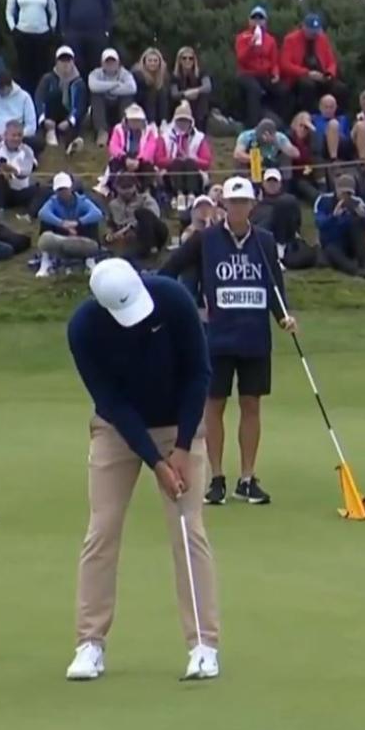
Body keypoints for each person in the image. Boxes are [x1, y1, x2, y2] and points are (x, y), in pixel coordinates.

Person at [65, 257, 220, 681]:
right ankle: (89, 644)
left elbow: (198, 374)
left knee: (189, 531)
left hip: (178, 425)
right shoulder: (83, 329)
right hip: (117, 430)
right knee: (102, 529)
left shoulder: (173, 300)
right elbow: (112, 402)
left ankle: (204, 645)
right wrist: (155, 462)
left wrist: (183, 448)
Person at [159, 176, 297, 507]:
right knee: (214, 407)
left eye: (243, 202)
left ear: (252, 205)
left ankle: (247, 479)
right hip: (217, 337)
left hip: (254, 338)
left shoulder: (263, 241)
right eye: (232, 203)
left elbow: (274, 287)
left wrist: (283, 317)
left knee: (251, 405)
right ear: (225, 206)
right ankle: (217, 478)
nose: (237, 208)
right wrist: (175, 305)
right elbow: (171, 269)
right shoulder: (205, 240)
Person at [5, 0, 58, 97]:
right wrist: (13, 29)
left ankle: (41, 104)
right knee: (25, 74)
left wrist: (51, 29)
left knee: (42, 73)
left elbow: (53, 11)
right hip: (23, 35)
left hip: (42, 36)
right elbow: (9, 11)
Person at [36, 172, 104, 277]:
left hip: (80, 234)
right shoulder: (53, 201)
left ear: (71, 188)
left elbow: (97, 213)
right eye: (59, 190)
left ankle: (90, 259)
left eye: (65, 189)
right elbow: (42, 213)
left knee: (91, 223)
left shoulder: (82, 201)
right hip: (61, 234)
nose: (62, 192)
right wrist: (62, 224)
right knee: (46, 222)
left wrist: (77, 223)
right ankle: (45, 261)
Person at [280, 13, 345, 115]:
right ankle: (311, 116)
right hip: (300, 77)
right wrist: (307, 73)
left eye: (316, 31)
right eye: (311, 31)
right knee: (308, 86)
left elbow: (331, 61)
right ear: (304, 27)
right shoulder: (291, 40)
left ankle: (339, 118)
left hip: (320, 75)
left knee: (340, 88)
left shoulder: (322, 39)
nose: (314, 34)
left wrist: (329, 74)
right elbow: (285, 64)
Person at [314, 174, 365, 278]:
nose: (345, 196)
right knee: (330, 251)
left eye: (349, 193)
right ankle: (355, 270)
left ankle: (363, 262)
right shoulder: (323, 200)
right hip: (332, 242)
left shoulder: (358, 202)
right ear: (336, 189)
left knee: (357, 223)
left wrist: (363, 217)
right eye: (343, 192)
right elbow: (319, 224)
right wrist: (333, 216)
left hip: (351, 242)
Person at [235, 6, 286, 126]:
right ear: (249, 21)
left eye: (260, 18)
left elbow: (274, 61)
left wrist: (275, 73)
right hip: (246, 73)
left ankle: (278, 122)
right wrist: (251, 46)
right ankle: (253, 125)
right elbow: (240, 59)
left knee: (283, 90)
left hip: (264, 74)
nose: (257, 21)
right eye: (254, 18)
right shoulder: (242, 37)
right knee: (254, 90)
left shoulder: (270, 40)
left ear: (265, 21)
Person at [159, 100, 213, 210]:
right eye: (180, 120)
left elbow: (207, 162)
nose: (182, 124)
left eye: (185, 121)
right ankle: (178, 195)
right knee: (178, 162)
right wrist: (173, 160)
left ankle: (191, 195)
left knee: (189, 162)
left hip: (195, 173)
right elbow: (158, 159)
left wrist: (191, 160)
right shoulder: (165, 137)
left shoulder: (199, 137)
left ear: (191, 122)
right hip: (171, 173)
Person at [252, 169, 311, 264]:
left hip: (285, 238)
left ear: (280, 184)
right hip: (262, 236)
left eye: (275, 182)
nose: (272, 185)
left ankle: (280, 249)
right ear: (263, 183)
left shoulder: (289, 201)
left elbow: (296, 223)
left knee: (286, 201)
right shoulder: (256, 204)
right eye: (269, 182)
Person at [0, 119, 39, 215]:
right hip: (0, 190)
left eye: (19, 135)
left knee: (39, 189)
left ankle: (30, 214)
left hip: (19, 191)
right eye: (13, 135)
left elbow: (27, 171)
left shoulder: (27, 150)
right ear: (6, 135)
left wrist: (13, 170)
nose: (16, 138)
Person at [105, 173, 168, 260]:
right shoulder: (113, 204)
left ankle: (150, 249)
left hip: (153, 232)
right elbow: (110, 223)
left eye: (130, 187)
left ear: (135, 186)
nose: (127, 191)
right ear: (117, 188)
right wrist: (110, 234)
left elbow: (154, 215)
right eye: (123, 188)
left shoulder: (145, 198)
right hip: (129, 236)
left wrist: (129, 227)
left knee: (142, 213)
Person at [36, 46, 87, 155]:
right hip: (50, 115)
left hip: (68, 115)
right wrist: (44, 118)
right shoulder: (47, 78)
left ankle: (70, 146)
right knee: (55, 94)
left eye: (68, 60)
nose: (65, 64)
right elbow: (39, 99)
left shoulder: (79, 83)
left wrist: (69, 121)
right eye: (62, 60)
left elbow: (80, 105)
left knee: (73, 130)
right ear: (56, 62)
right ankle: (50, 133)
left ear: (73, 62)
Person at [88, 48, 137, 147]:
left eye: (113, 61)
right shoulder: (95, 73)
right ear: (102, 63)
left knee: (127, 97)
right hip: (103, 109)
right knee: (96, 96)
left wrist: (105, 88)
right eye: (107, 62)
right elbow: (93, 86)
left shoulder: (125, 73)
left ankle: (124, 130)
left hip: (119, 107)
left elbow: (132, 88)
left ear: (118, 63)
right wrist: (116, 84)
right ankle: (102, 132)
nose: (110, 64)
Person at [106, 104, 160, 188]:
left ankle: (145, 189)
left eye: (138, 120)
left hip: (141, 160)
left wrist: (138, 160)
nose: (135, 123)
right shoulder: (118, 129)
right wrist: (124, 158)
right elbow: (113, 146)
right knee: (114, 164)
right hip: (123, 158)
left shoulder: (149, 131)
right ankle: (116, 189)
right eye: (133, 120)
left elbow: (150, 149)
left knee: (148, 167)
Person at [233, 118, 299, 174]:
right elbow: (237, 154)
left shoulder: (279, 137)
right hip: (252, 166)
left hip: (273, 166)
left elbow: (296, 154)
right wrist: (259, 159)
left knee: (286, 158)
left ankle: (285, 183)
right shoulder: (246, 136)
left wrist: (283, 146)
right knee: (240, 162)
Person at [170, 46, 212, 131]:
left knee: (202, 99)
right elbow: (173, 94)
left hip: (199, 108)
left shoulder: (201, 72)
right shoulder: (175, 76)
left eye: (190, 58)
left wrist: (195, 91)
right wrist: (185, 94)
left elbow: (208, 87)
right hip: (182, 107)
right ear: (179, 60)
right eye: (184, 58)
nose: (187, 61)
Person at [132, 48, 170, 131]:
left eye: (155, 61)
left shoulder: (164, 75)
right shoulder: (137, 74)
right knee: (151, 92)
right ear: (144, 61)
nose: (153, 63)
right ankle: (151, 123)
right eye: (150, 60)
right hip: (140, 103)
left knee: (162, 91)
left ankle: (163, 121)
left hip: (157, 103)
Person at [312, 93, 354, 165]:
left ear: (336, 107)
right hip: (323, 145)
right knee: (333, 124)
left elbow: (348, 136)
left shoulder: (343, 119)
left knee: (360, 125)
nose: (328, 110)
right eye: (326, 107)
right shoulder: (314, 118)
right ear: (320, 107)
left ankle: (362, 160)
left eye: (331, 107)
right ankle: (333, 160)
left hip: (343, 144)